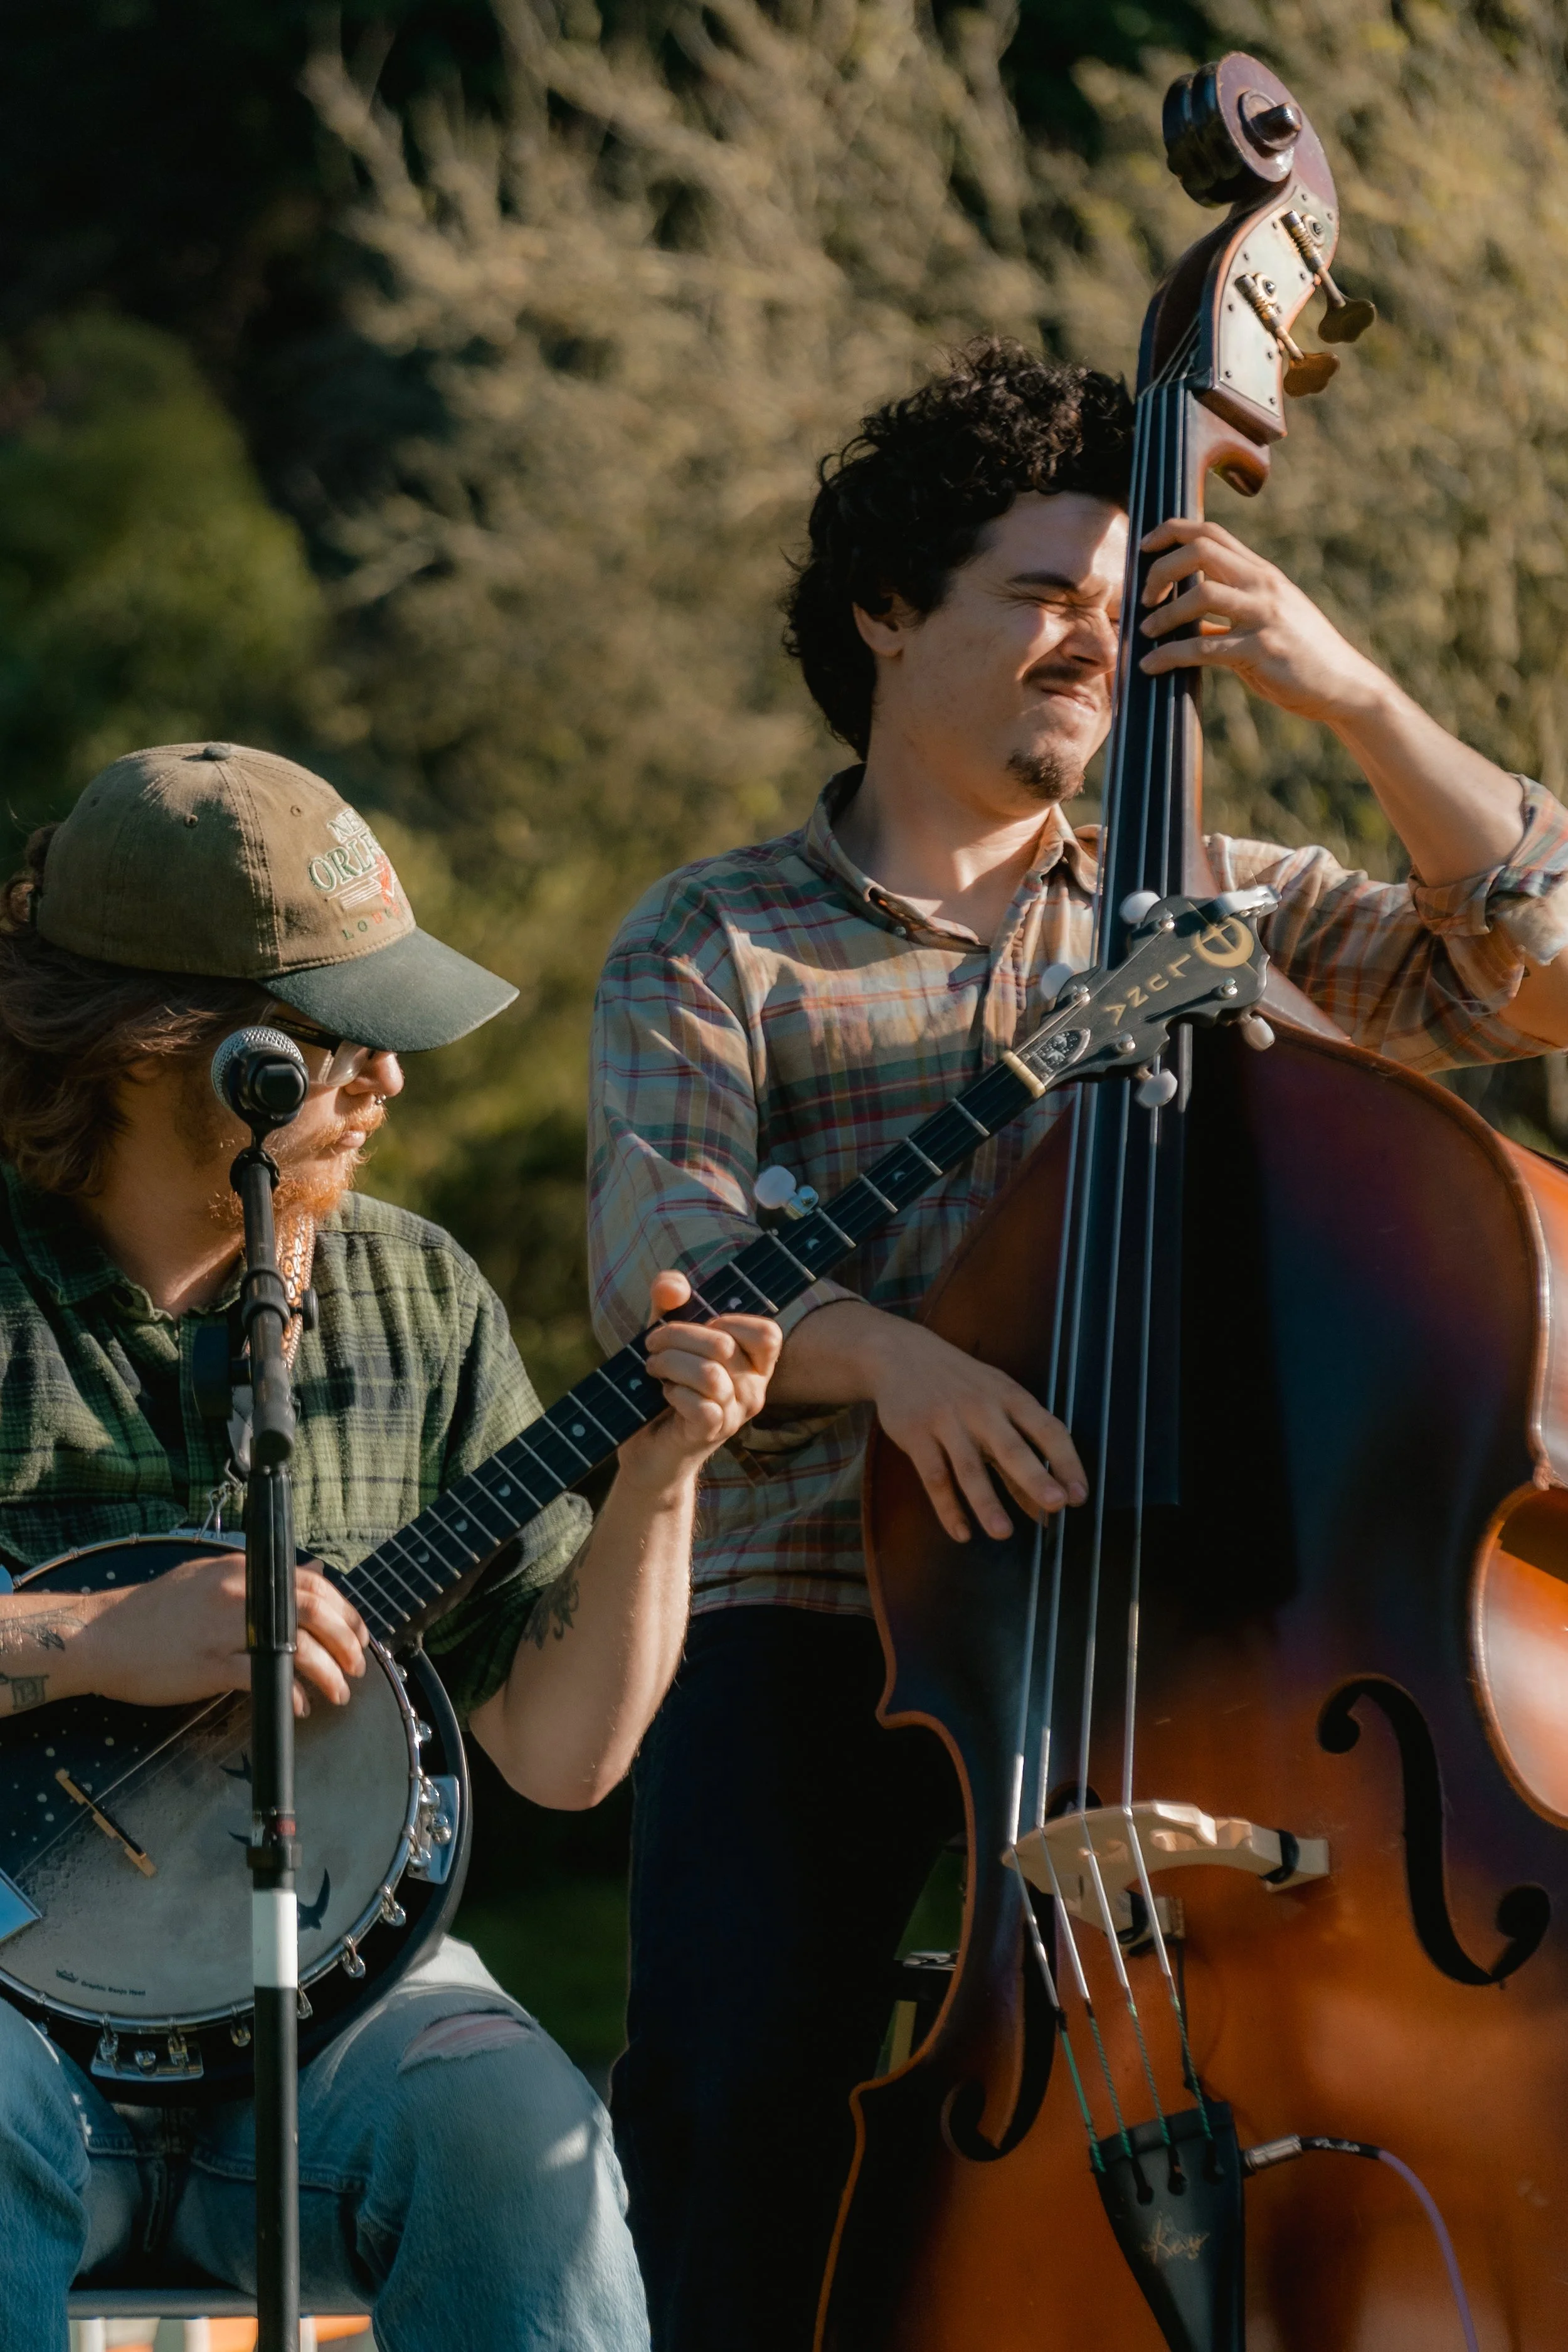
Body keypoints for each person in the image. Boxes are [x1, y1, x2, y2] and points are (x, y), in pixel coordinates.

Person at [587, 337, 1568, 2351]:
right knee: (734, 2082)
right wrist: (898, 1360)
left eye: (1119, 609)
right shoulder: (720, 938)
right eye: (1040, 595)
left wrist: (1352, 689)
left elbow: (1533, 967)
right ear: (883, 607)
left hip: (1211, 1623)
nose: (1091, 645)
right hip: (832, 1617)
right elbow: (663, 1266)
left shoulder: (1209, 903)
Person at [0, 740, 780, 2352]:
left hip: (330, 2006)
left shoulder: (418, 1294)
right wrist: (79, 1644)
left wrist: (662, 1481)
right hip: (8, 2014)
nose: (392, 1081)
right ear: (163, 1051)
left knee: (520, 2142)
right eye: (342, 1040)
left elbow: (562, 1757)